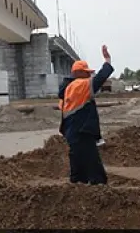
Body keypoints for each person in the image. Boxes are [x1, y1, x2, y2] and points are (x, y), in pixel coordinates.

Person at [58, 44, 115, 185]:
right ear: (80, 73)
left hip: (71, 132)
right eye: (87, 72)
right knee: (93, 163)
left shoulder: (66, 90)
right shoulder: (81, 85)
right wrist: (107, 61)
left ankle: (77, 185)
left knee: (77, 162)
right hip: (82, 130)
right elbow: (100, 78)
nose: (89, 75)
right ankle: (99, 188)